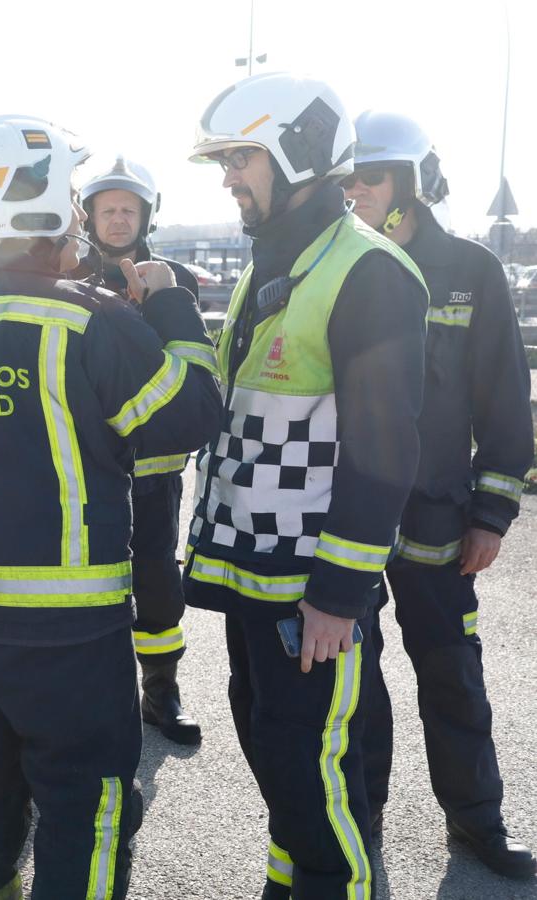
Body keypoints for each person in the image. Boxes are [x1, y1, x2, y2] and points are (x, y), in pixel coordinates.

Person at [0, 114, 221, 898]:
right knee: (87, 815)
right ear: (35, 213)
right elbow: (193, 413)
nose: (78, 217)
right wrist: (168, 307)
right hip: (70, 635)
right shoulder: (95, 323)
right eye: (67, 200)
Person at [183, 74, 428, 899]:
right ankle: (290, 883)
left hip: (309, 590)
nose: (227, 178)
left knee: (312, 771)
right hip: (254, 573)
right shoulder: (273, 263)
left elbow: (385, 452)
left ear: (297, 150)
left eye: (239, 157)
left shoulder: (369, 272)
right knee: (273, 749)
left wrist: (338, 593)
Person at [345, 109, 535, 878]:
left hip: (439, 522)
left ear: (411, 184)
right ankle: (363, 818)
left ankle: (476, 821)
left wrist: (491, 512)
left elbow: (503, 403)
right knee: (351, 684)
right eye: (347, 177)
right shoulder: (338, 266)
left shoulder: (470, 270)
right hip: (349, 518)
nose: (354, 190)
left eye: (370, 176)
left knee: (452, 674)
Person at [72, 155, 207, 746]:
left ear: (147, 214)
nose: (119, 220)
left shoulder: (172, 276)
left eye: (129, 209)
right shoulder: (68, 272)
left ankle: (161, 690)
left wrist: (157, 301)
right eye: (108, 210)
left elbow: (182, 360)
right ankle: (97, 694)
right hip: (87, 468)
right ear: (89, 216)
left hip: (155, 469)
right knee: (88, 583)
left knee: (156, 579)